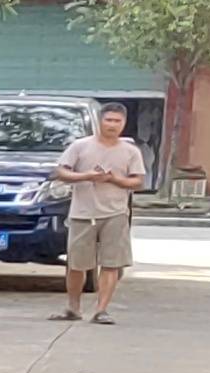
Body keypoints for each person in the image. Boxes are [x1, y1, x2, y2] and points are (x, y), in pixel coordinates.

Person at [51, 103, 149, 323]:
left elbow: (138, 181)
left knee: (111, 263)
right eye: (109, 120)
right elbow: (61, 171)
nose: (112, 125)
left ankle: (101, 310)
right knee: (77, 264)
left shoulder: (130, 151)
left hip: (115, 213)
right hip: (82, 213)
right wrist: (85, 176)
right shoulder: (80, 146)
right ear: (100, 122)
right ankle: (73, 307)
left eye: (117, 121)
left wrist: (114, 179)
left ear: (124, 124)